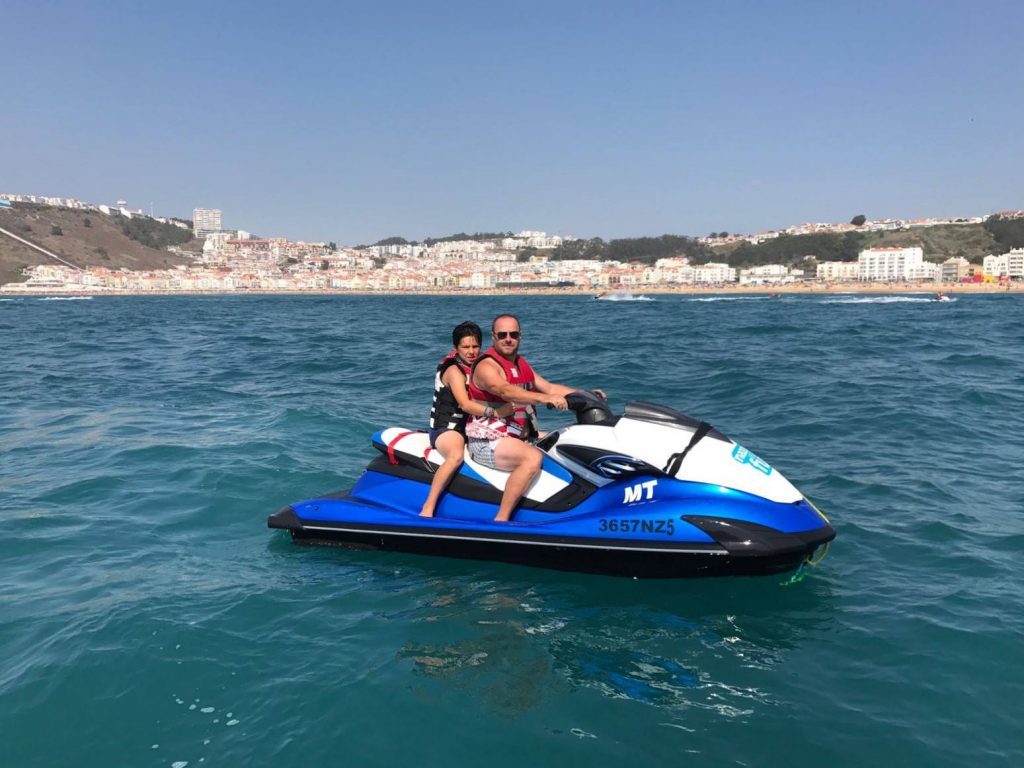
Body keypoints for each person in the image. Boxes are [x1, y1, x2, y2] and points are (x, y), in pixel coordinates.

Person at [466, 314, 605, 522]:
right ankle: (502, 519)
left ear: (520, 337)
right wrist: (545, 398)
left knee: (566, 442)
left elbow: (550, 387)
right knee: (532, 457)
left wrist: (585, 394)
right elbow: (505, 390)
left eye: (513, 334)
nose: (508, 339)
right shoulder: (487, 366)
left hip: (520, 437)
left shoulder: (522, 365)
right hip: (487, 441)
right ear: (493, 337)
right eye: (502, 334)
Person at [420, 321, 514, 518]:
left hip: (472, 426)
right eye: (465, 347)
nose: (471, 351)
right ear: (455, 348)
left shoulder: (481, 366)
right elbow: (465, 404)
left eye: (475, 346)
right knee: (455, 456)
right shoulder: (453, 371)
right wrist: (497, 413)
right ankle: (428, 507)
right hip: (446, 429)